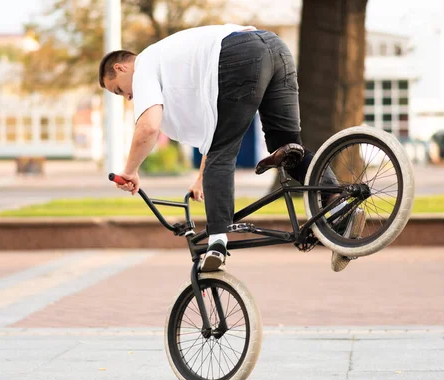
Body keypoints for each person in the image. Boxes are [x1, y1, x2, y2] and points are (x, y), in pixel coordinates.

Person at [99, 24, 365, 272]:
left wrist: (130, 171)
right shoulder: (172, 64)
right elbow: (214, 131)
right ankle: (338, 205)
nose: (128, 97)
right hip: (276, 48)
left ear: (121, 68)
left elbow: (148, 127)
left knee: (223, 151)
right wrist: (203, 177)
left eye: (119, 91)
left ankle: (217, 241)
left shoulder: (143, 65)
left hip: (239, 55)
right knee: (287, 148)